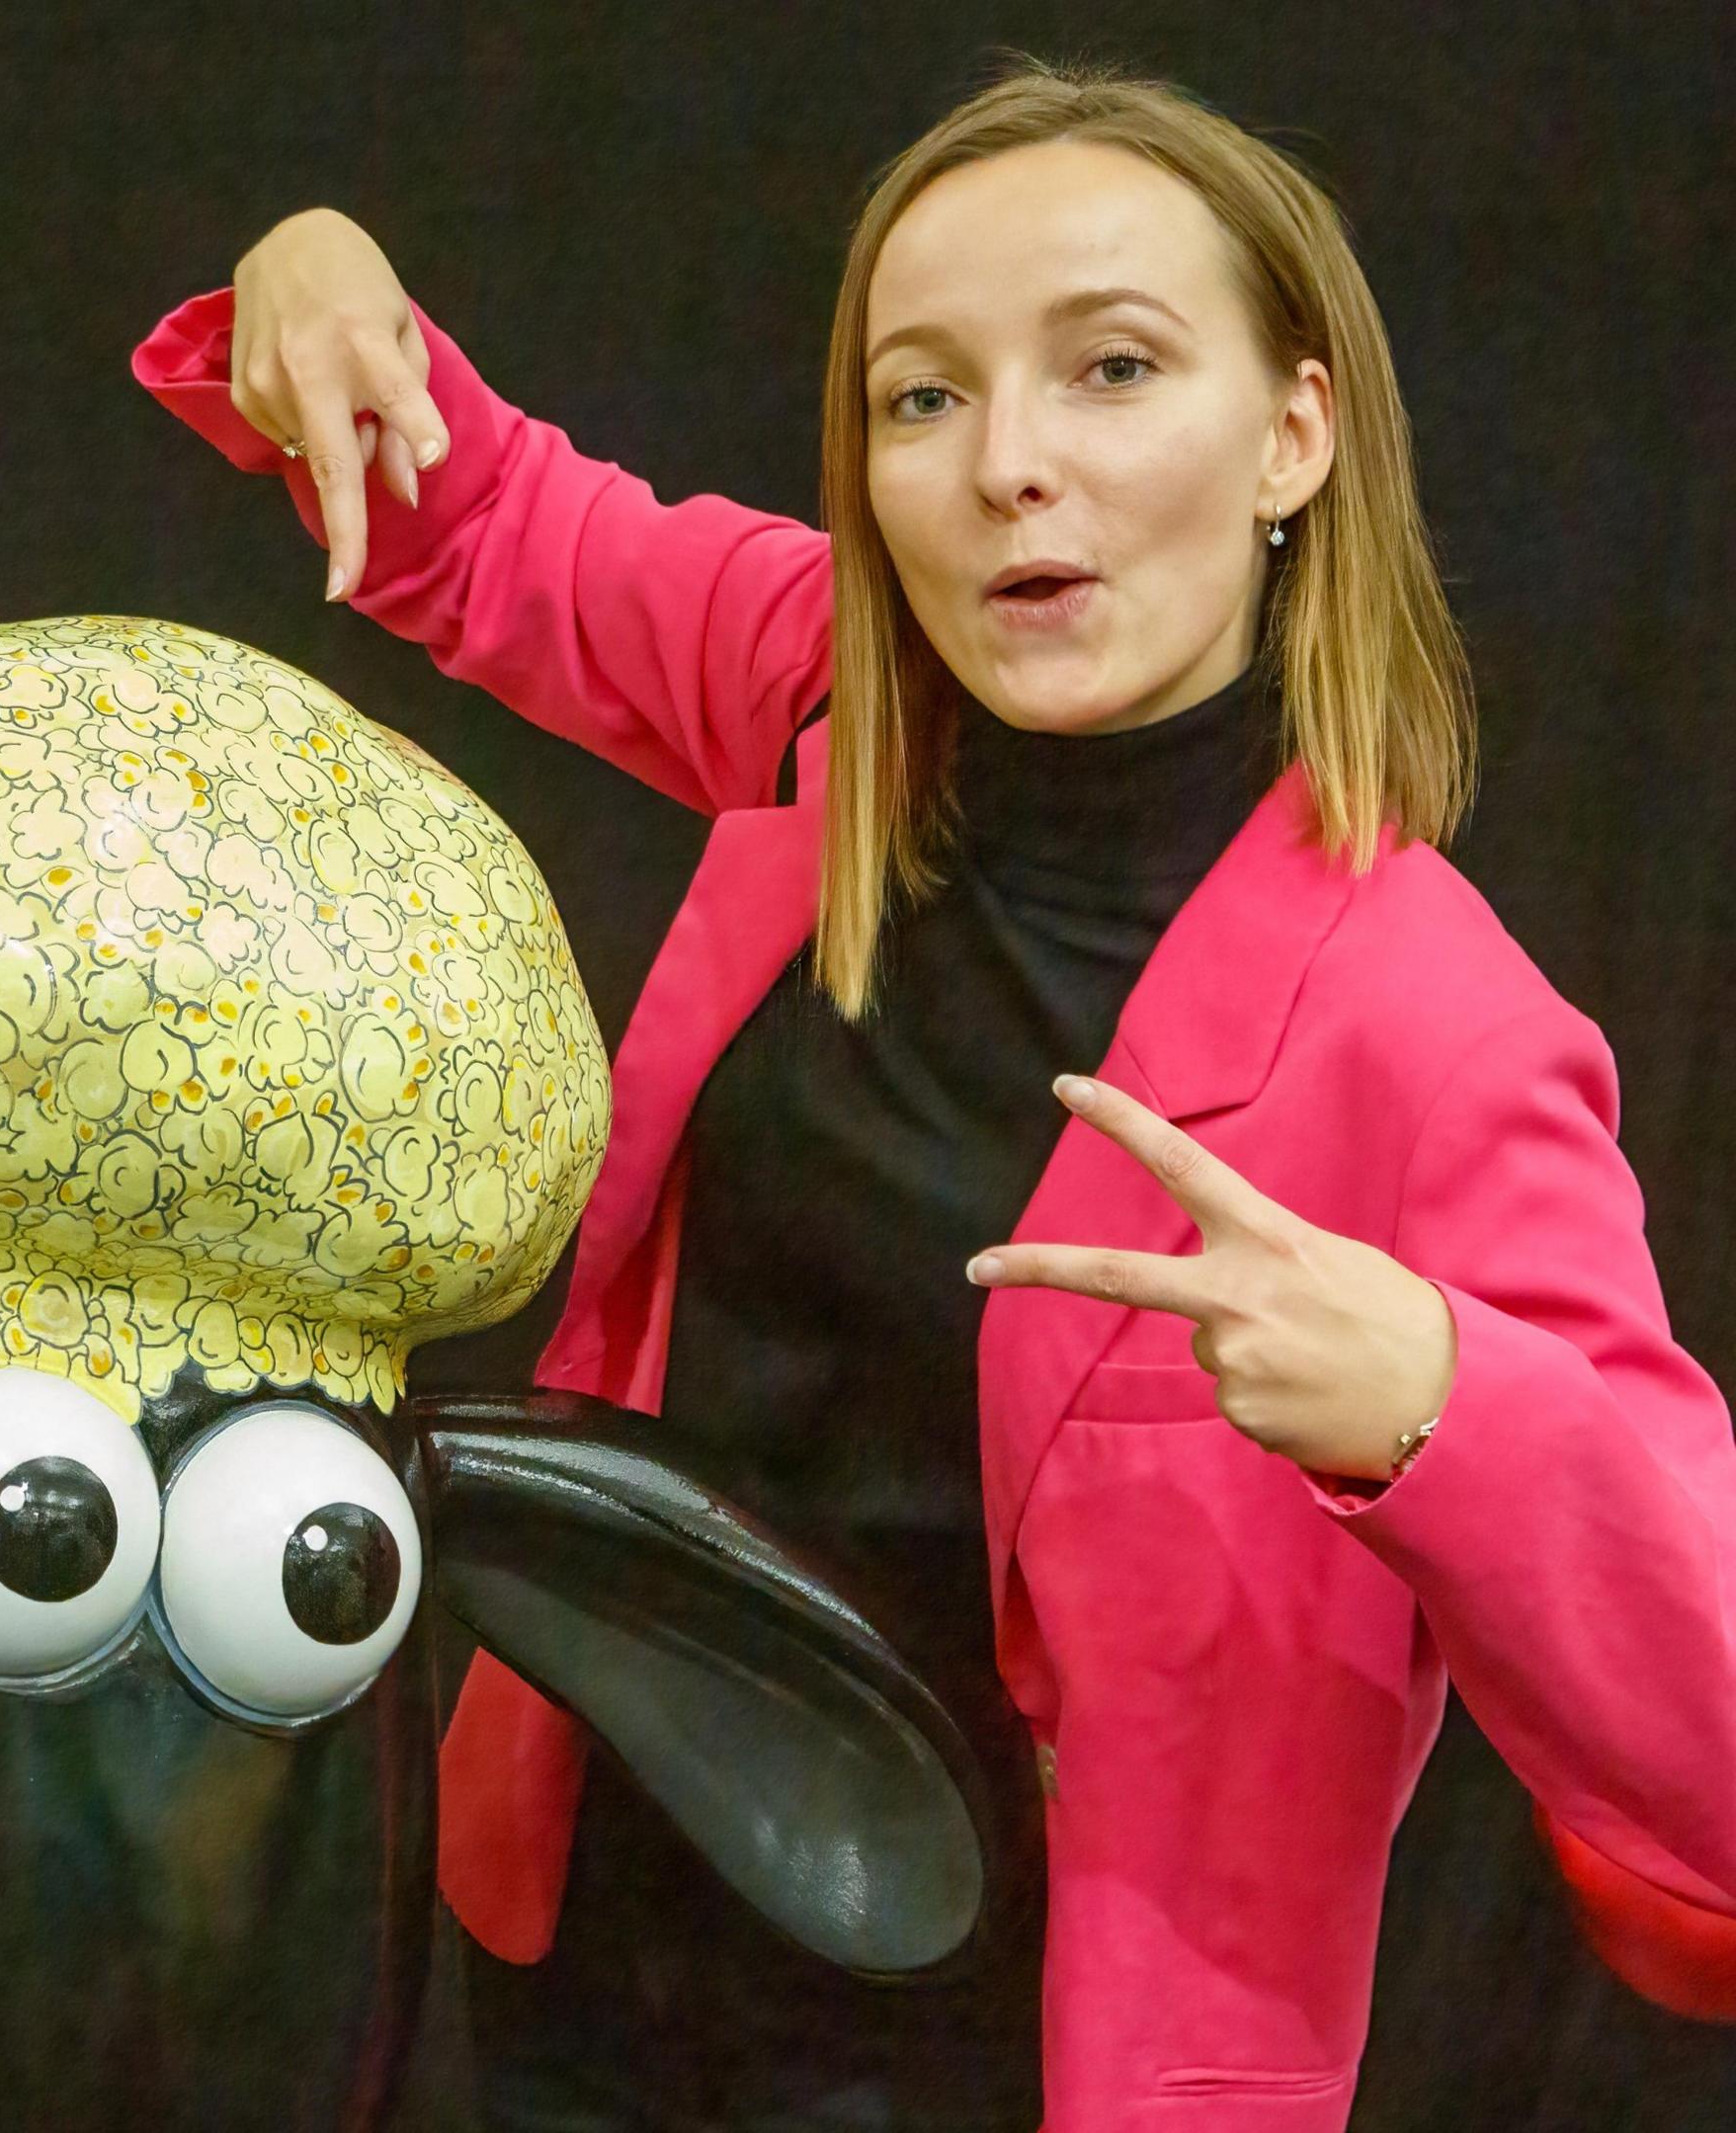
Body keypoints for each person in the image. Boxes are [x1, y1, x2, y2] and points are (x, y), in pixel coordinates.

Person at [135, 57, 1736, 2130]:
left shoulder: (1439, 1031)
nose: (1007, 471)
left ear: (1295, 434)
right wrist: (316, 272)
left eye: (1113, 371)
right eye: (924, 397)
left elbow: (1704, 1730)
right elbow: (492, 528)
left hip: (1012, 2071)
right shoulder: (839, 692)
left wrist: (1435, 1395)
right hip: (598, 1954)